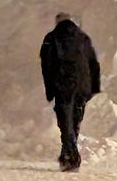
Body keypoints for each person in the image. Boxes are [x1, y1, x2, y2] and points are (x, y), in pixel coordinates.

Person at [40, 12, 101, 172]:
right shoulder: (83, 37)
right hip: (83, 85)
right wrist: (93, 87)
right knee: (74, 121)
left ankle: (71, 158)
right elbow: (93, 63)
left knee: (65, 121)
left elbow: (47, 66)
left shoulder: (51, 38)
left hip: (63, 84)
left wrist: (50, 90)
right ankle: (67, 154)